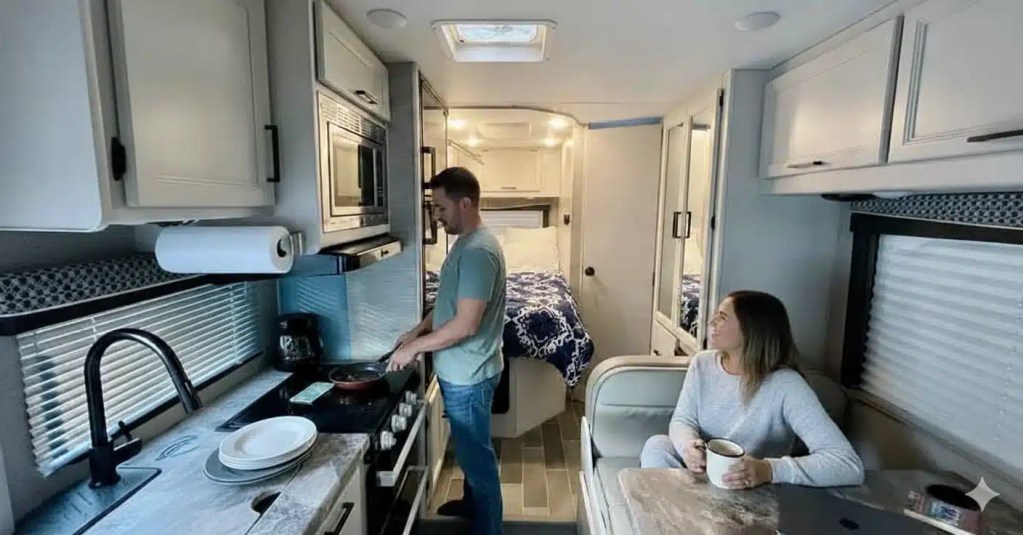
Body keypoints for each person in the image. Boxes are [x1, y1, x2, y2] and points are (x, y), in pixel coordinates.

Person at [640, 290, 865, 489]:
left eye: (722, 317)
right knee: (657, 446)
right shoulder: (702, 364)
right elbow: (683, 420)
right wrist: (689, 447)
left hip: (752, 491)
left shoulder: (787, 385)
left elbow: (847, 464)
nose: (712, 322)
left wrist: (768, 470)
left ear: (750, 330)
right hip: (700, 477)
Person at [389, 167, 505, 534]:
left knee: (478, 462)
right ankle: (472, 505)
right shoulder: (466, 243)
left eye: (440, 207)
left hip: (470, 375)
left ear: (465, 204)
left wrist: (413, 349)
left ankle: (489, 529)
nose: (436, 216)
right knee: (472, 452)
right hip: (465, 369)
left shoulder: (478, 252)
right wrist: (418, 330)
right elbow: (449, 303)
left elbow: (466, 324)